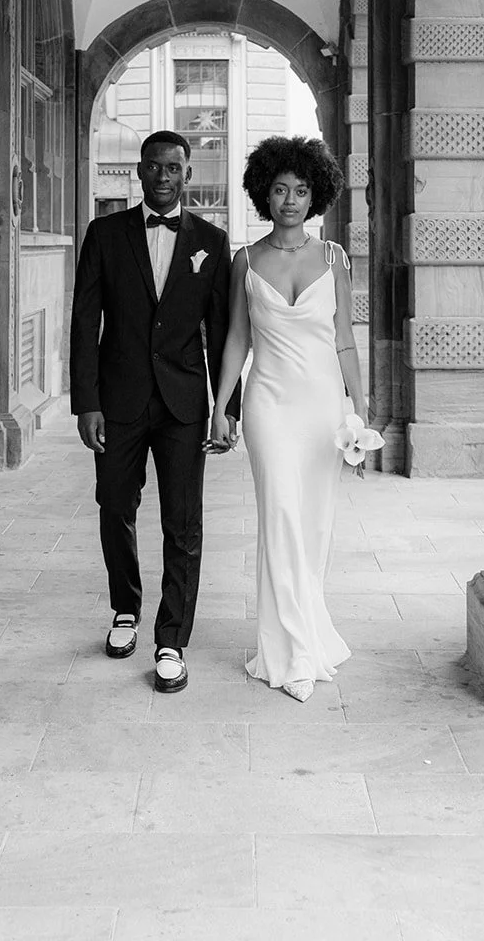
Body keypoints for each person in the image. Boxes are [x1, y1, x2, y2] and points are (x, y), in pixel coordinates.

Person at [207, 134, 378, 702]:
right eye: (280, 189)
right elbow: (236, 338)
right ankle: (291, 654)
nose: (290, 200)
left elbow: (346, 340)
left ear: (315, 195)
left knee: (315, 526)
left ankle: (306, 631)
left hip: (323, 406)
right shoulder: (245, 260)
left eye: (301, 190)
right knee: (279, 516)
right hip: (268, 405)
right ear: (264, 192)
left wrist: (360, 409)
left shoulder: (335, 258)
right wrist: (220, 406)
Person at [70, 130, 237, 694]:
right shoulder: (105, 234)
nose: (163, 177)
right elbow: (84, 322)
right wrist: (86, 401)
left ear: (187, 174)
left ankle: (172, 639)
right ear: (138, 172)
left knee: (182, 520)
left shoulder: (212, 243)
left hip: (184, 403)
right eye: (153, 167)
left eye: (173, 168)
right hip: (117, 401)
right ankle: (125, 609)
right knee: (115, 503)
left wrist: (225, 407)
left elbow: (224, 333)